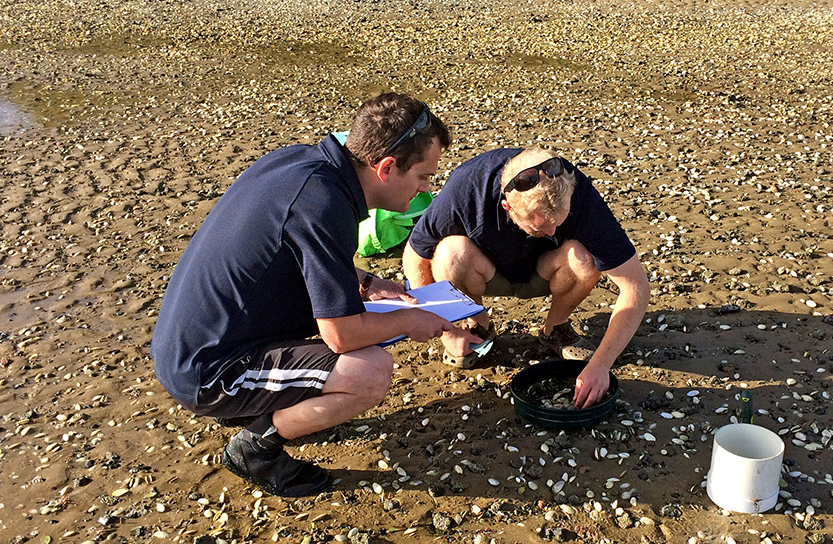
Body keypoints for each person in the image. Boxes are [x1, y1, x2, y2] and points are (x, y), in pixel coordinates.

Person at [151, 93, 476, 497]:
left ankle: (256, 402)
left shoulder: (303, 164)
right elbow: (341, 336)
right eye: (424, 177)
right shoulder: (325, 205)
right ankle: (256, 447)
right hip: (206, 371)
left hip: (190, 339)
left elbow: (288, 251)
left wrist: (366, 282)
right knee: (368, 372)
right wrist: (412, 320)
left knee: (355, 315)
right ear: (387, 168)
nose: (427, 190)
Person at [403, 148, 650, 409]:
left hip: (547, 270)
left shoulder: (579, 192)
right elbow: (413, 256)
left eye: (558, 222)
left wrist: (601, 365)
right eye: (540, 227)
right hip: (485, 271)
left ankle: (556, 328)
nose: (551, 231)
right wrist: (447, 331)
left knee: (583, 257)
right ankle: (479, 326)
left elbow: (635, 286)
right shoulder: (468, 186)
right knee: (449, 254)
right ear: (507, 205)